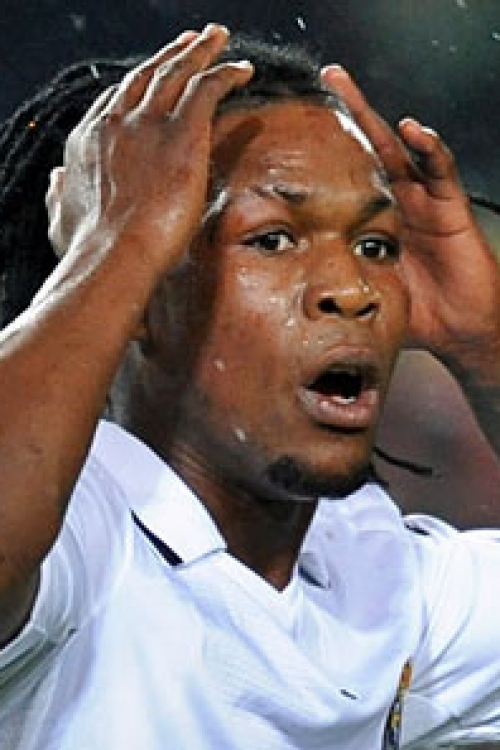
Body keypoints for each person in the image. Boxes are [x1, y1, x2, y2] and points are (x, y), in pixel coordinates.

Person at [1, 23, 500, 750]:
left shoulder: (378, 579)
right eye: (273, 238)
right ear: (140, 287)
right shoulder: (82, 541)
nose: (351, 289)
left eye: (374, 245)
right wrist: (113, 250)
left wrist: (486, 344)